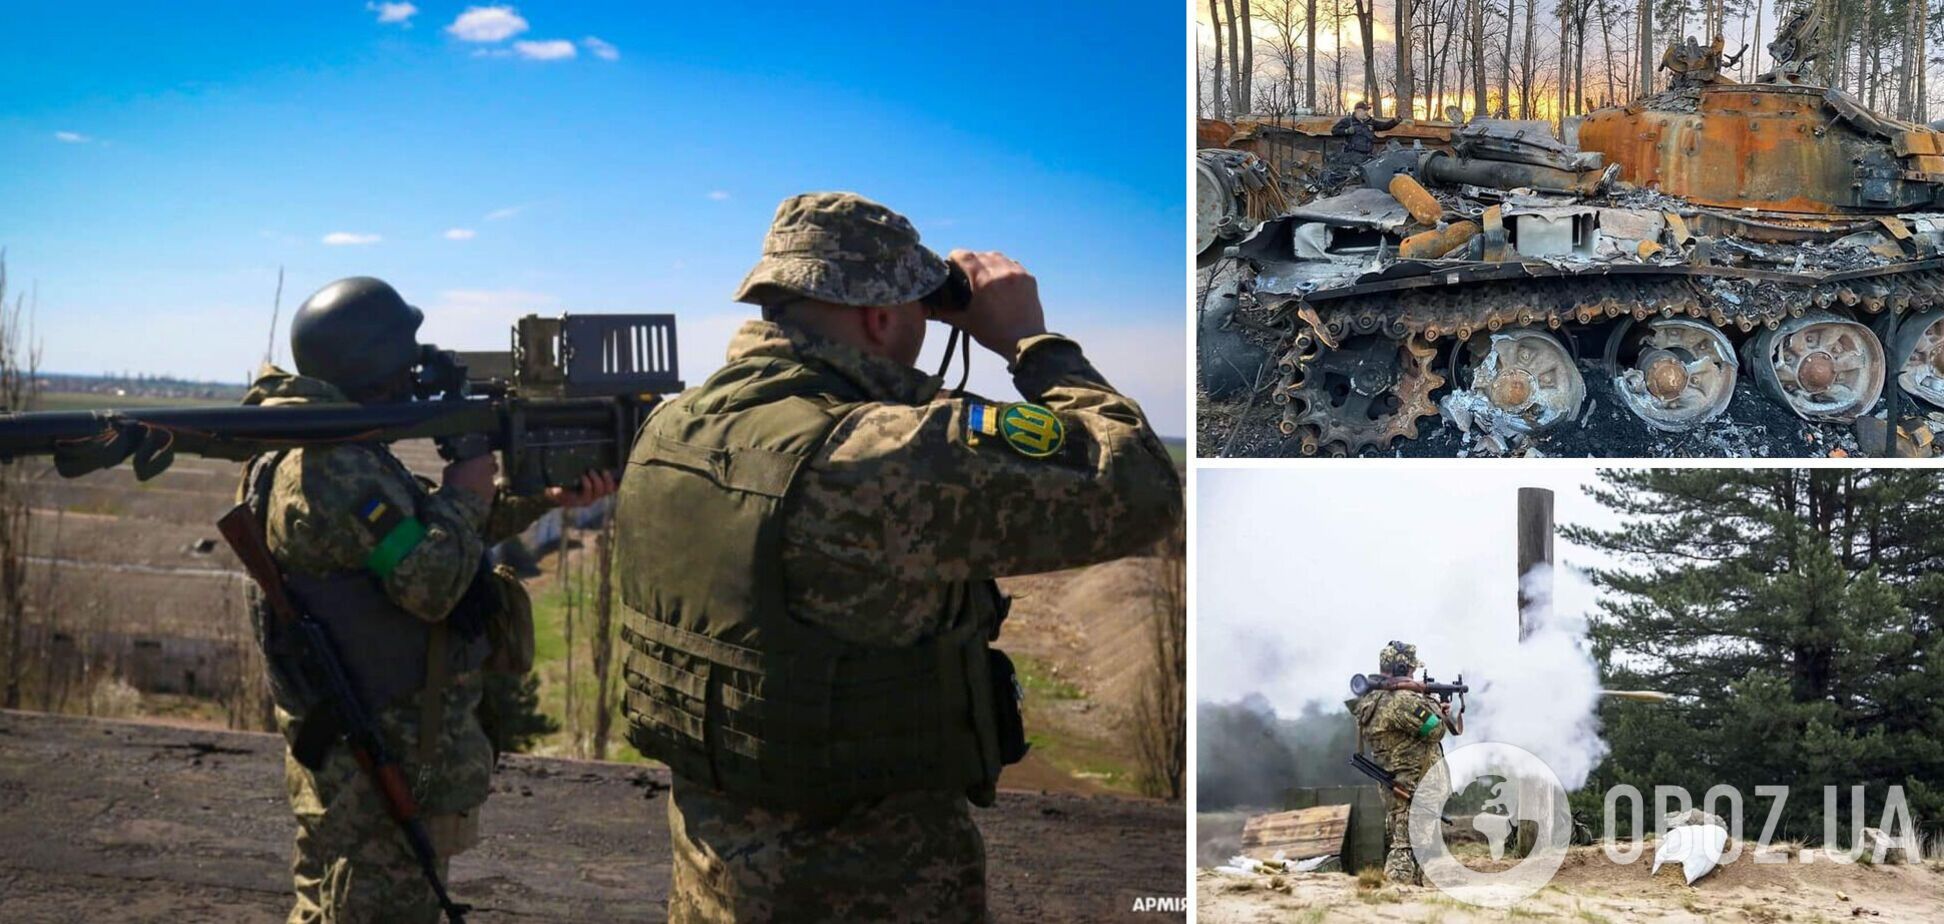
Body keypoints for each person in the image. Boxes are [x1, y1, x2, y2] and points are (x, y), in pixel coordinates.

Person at [613, 191, 1183, 921]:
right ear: (880, 319)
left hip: (711, 888)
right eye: (915, 310)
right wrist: (1032, 344)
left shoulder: (670, 428)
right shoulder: (869, 454)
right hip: (868, 893)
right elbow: (1142, 490)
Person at [239, 276, 615, 923]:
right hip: (375, 759)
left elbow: (418, 532)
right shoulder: (333, 469)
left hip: (350, 754)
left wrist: (540, 500)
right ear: (376, 367)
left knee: (326, 903)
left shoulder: (329, 448)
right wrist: (468, 490)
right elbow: (433, 580)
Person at [1352, 640, 1460, 886]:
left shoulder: (1371, 700)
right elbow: (1435, 730)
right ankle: (1395, 897)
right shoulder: (1402, 701)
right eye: (1410, 669)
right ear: (1402, 668)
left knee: (1417, 847)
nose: (1413, 674)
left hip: (1398, 784)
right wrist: (1435, 705)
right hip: (1413, 786)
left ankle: (1412, 899)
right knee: (1405, 848)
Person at [1323, 101, 1402, 189]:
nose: (1366, 112)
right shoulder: (1348, 121)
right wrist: (1346, 131)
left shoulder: (1370, 122)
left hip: (1367, 156)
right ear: (1357, 110)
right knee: (1348, 179)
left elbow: (1384, 126)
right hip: (1352, 156)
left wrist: (1394, 121)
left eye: (1366, 110)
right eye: (1364, 110)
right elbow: (1334, 131)